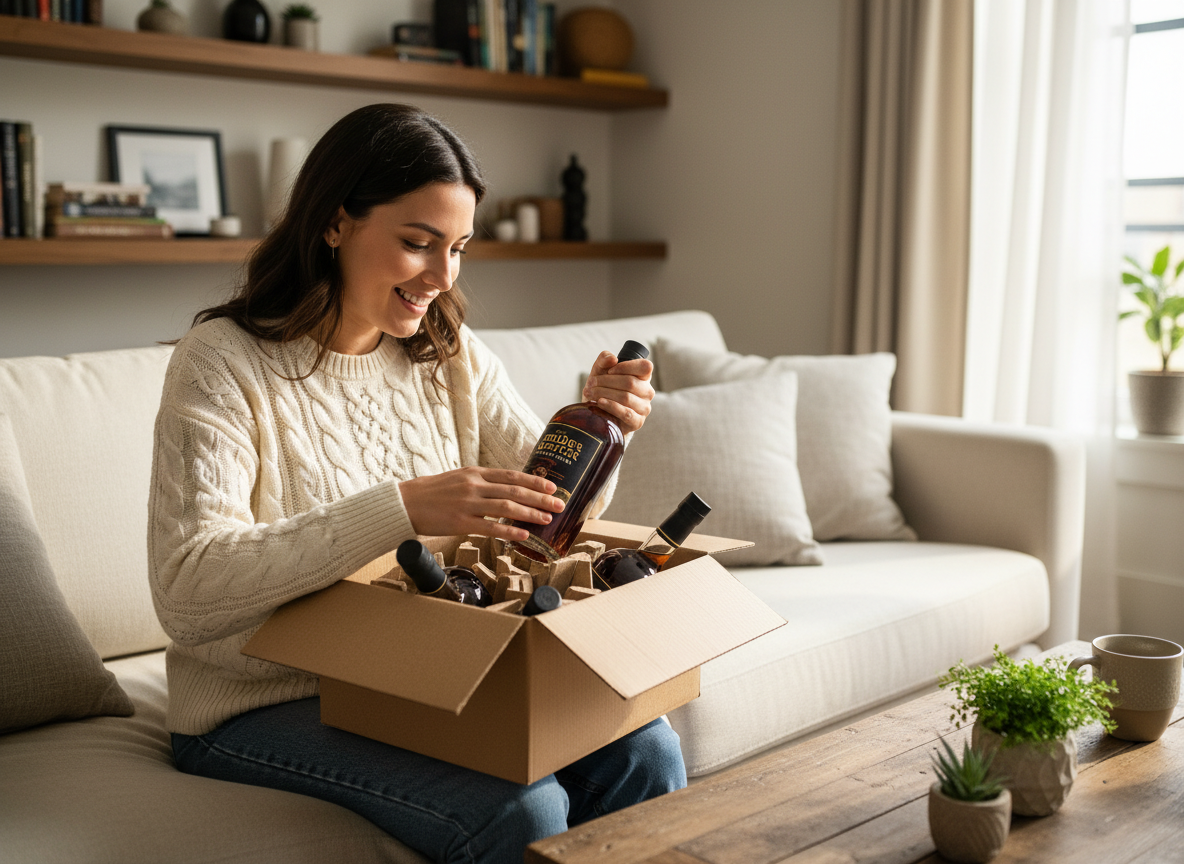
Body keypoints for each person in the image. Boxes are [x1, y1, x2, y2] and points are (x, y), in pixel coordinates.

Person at [149, 103, 684, 863]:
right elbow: (185, 590)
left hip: (421, 679)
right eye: (417, 243)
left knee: (647, 755)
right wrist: (400, 510)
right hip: (260, 704)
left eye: (459, 248)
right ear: (336, 223)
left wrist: (603, 432)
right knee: (522, 809)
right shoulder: (220, 361)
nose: (443, 276)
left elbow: (548, 516)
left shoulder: (446, 350)